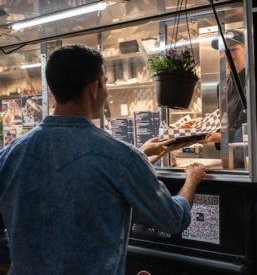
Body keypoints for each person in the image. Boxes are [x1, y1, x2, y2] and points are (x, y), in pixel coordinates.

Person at [0, 45, 206, 275]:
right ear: (93, 88)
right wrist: (192, 179)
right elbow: (172, 220)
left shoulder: (9, 156)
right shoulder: (121, 157)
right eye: (105, 83)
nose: (107, 92)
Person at [205, 30, 246, 146]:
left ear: (247, 51)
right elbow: (221, 122)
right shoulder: (223, 84)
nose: (225, 55)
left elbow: (246, 129)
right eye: (222, 50)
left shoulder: (252, 83)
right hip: (230, 155)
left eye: (232, 49)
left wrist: (213, 136)